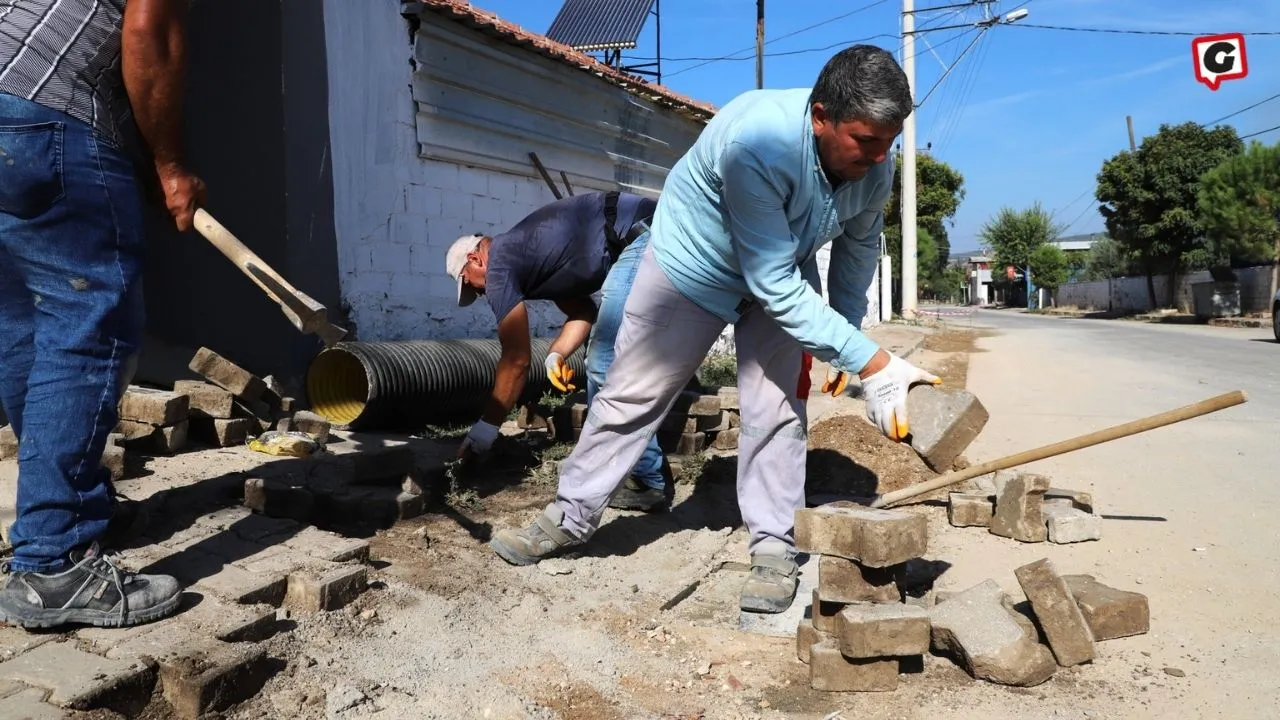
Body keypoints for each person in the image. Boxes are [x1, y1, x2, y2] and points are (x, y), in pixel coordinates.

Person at [488, 45, 942, 614]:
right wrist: (874, 364)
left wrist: (845, 335)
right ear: (820, 116)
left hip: (780, 267)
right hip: (692, 265)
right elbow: (771, 280)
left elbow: (857, 248)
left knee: (777, 408)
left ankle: (774, 546)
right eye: (866, 142)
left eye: (889, 142)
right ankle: (568, 516)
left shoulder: (875, 167)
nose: (880, 158)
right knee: (632, 395)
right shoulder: (756, 140)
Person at [0, 0, 206, 628]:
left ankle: (63, 504)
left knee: (23, 327)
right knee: (89, 324)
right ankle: (51, 558)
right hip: (51, 114)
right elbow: (151, 27)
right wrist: (169, 162)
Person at [445, 190, 673, 511]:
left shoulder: (500, 265)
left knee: (605, 364)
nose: (481, 295)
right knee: (619, 358)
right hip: (648, 230)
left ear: (475, 260)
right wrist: (556, 356)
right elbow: (582, 312)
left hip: (644, 233)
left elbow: (516, 360)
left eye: (472, 285)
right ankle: (628, 468)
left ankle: (647, 481)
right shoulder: (531, 259)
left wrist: (485, 431)